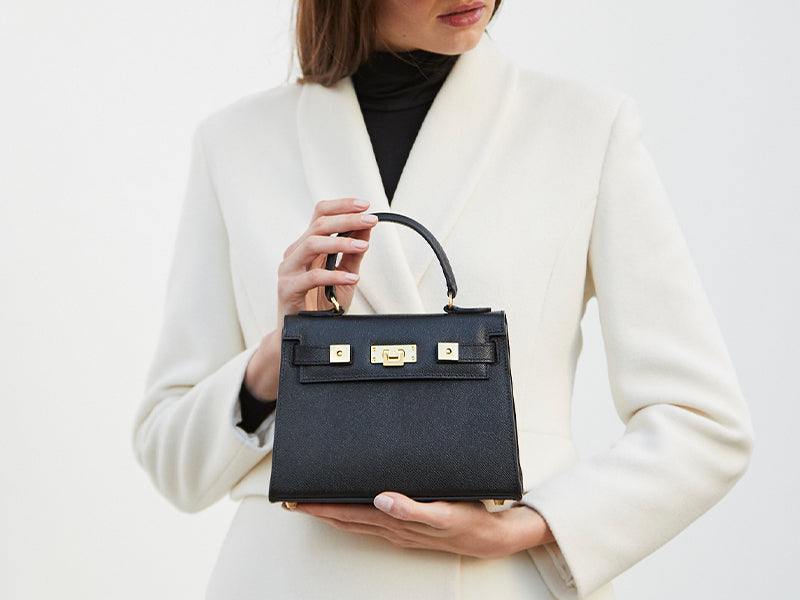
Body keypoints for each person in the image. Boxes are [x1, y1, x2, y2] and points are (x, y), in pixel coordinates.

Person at [133, 1, 754, 598]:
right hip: (293, 577)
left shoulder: (585, 127)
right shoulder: (236, 142)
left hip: (498, 581)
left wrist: (527, 527)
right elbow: (171, 460)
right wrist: (285, 350)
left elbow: (702, 424)